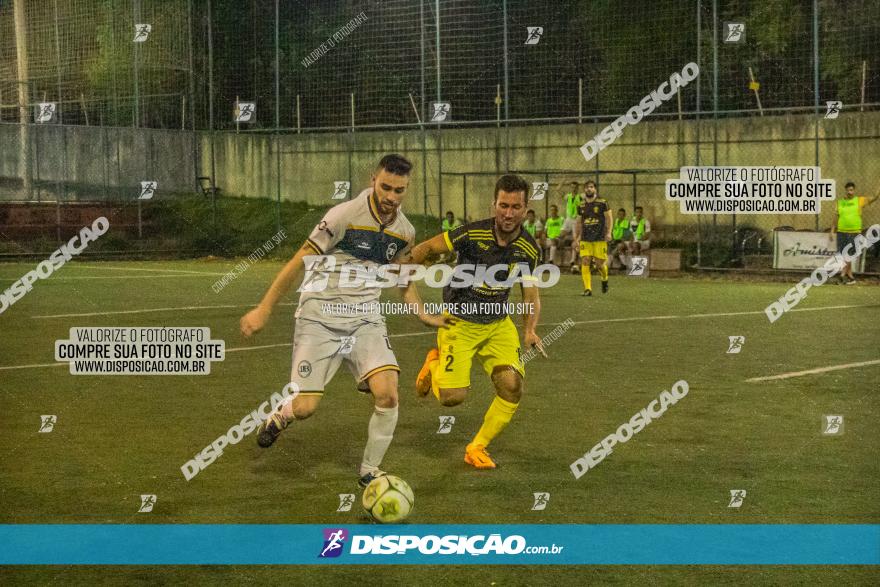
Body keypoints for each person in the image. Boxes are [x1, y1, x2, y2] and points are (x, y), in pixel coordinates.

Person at [239, 154, 449, 488]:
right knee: (306, 407)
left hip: (366, 318)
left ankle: (370, 472)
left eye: (399, 190)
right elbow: (298, 262)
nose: (391, 197)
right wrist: (264, 309)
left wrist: (422, 313)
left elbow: (403, 278)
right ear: (372, 180)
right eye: (386, 187)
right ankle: (281, 415)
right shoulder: (343, 216)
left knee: (388, 394)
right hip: (319, 317)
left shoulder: (405, 231)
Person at [403, 174, 546, 470]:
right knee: (452, 398)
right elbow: (429, 248)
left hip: (497, 324)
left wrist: (530, 330)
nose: (508, 213)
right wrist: (404, 269)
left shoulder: (529, 249)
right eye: (503, 205)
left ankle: (476, 447)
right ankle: (434, 363)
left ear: (525, 208)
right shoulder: (471, 233)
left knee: (512, 386)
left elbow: (530, 292)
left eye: (515, 207)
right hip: (460, 321)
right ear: (494, 203)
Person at [831, 181, 879, 284]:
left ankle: (843, 274)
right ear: (845, 191)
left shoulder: (859, 200)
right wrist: (832, 231)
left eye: (852, 190)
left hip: (854, 232)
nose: (850, 192)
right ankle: (851, 277)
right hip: (841, 232)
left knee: (849, 254)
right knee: (844, 255)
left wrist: (878, 187)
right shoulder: (840, 202)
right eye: (848, 190)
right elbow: (836, 217)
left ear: (854, 190)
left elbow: (875, 197)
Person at [576, 180, 613, 295]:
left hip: (599, 237)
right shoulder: (581, 205)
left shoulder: (602, 202)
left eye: (591, 187)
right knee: (585, 261)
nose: (589, 189)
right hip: (585, 238)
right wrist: (577, 237)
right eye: (587, 187)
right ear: (584, 190)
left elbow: (609, 218)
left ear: (595, 189)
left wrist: (609, 232)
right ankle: (588, 289)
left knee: (599, 264)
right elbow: (579, 222)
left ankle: (604, 279)